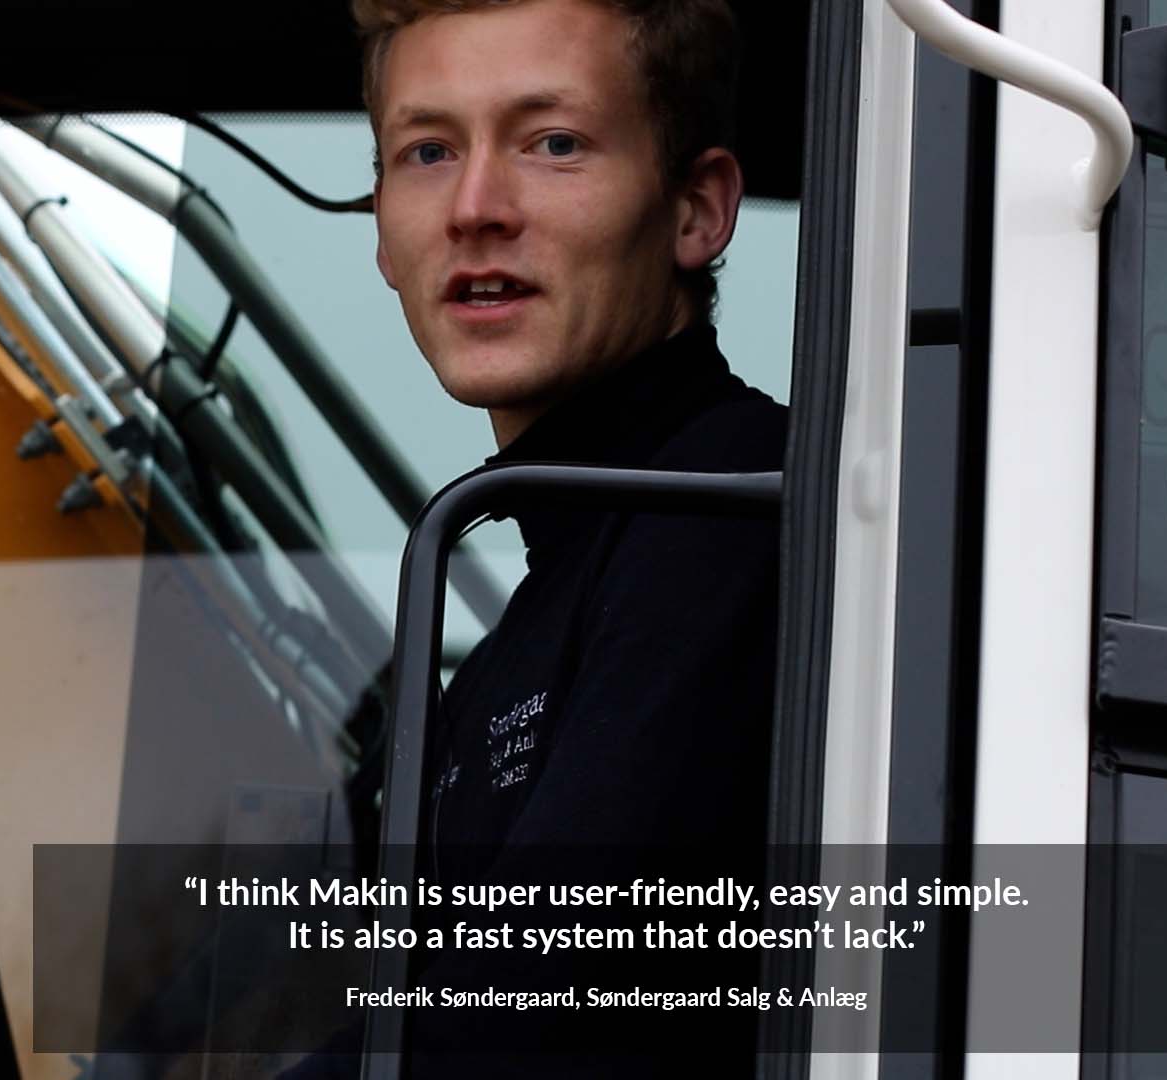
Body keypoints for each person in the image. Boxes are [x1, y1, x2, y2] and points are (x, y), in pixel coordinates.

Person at [348, 0, 783, 1070]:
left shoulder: (734, 515)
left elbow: (521, 1024)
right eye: (428, 150)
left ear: (698, 211)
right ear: (381, 236)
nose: (476, 208)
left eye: (553, 144)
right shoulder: (527, 614)